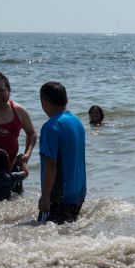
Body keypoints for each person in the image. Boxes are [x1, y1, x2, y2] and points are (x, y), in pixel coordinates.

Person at [37, 82, 87, 225]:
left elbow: (51, 164)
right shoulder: (77, 122)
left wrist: (45, 196)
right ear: (67, 100)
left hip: (59, 196)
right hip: (79, 192)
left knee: (45, 236)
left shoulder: (50, 127)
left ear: (44, 102)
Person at [0, 71, 38, 193]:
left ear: (9, 91)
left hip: (11, 169)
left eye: (1, 90)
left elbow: (31, 133)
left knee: (14, 202)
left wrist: (26, 155)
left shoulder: (18, 111)